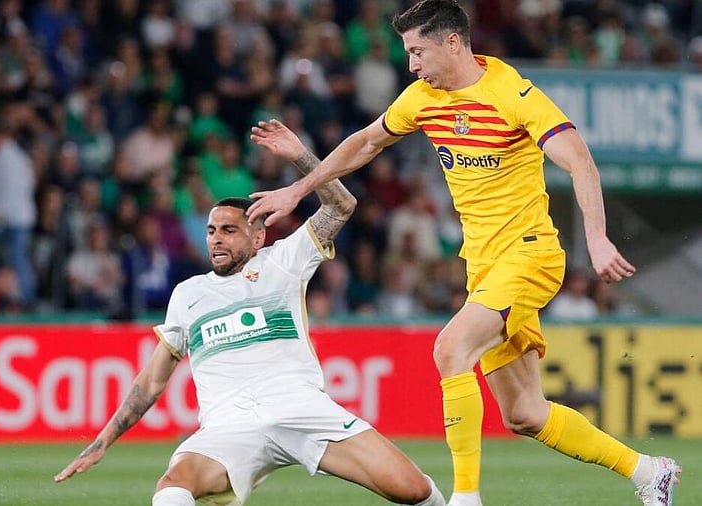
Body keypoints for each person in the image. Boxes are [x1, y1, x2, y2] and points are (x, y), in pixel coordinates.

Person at [245, 2, 681, 506]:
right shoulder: (423, 98)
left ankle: (465, 498)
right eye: (408, 52)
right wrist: (298, 188)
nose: (410, 64)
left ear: (452, 42)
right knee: (525, 414)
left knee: (449, 349)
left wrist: (598, 237)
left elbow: (579, 160)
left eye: (417, 51)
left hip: (530, 254)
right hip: (485, 265)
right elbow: (365, 144)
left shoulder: (512, 94)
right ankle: (650, 471)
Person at [54, 119, 445, 506]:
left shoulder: (283, 261)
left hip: (300, 411)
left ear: (258, 237)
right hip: (230, 427)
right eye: (211, 231)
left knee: (410, 488)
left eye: (229, 230)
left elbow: (341, 205)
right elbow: (152, 381)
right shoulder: (188, 294)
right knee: (174, 486)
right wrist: (103, 440)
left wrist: (300, 159)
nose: (216, 239)